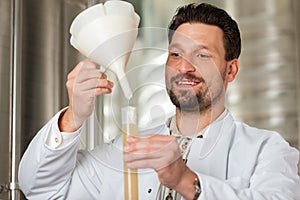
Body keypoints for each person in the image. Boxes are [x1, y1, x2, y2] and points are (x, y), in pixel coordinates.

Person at [18, 2, 300, 200]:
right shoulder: (127, 148)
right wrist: (73, 118)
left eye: (202, 55)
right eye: (176, 54)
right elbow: (42, 189)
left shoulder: (266, 149)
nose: (184, 67)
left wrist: (185, 180)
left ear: (231, 70)